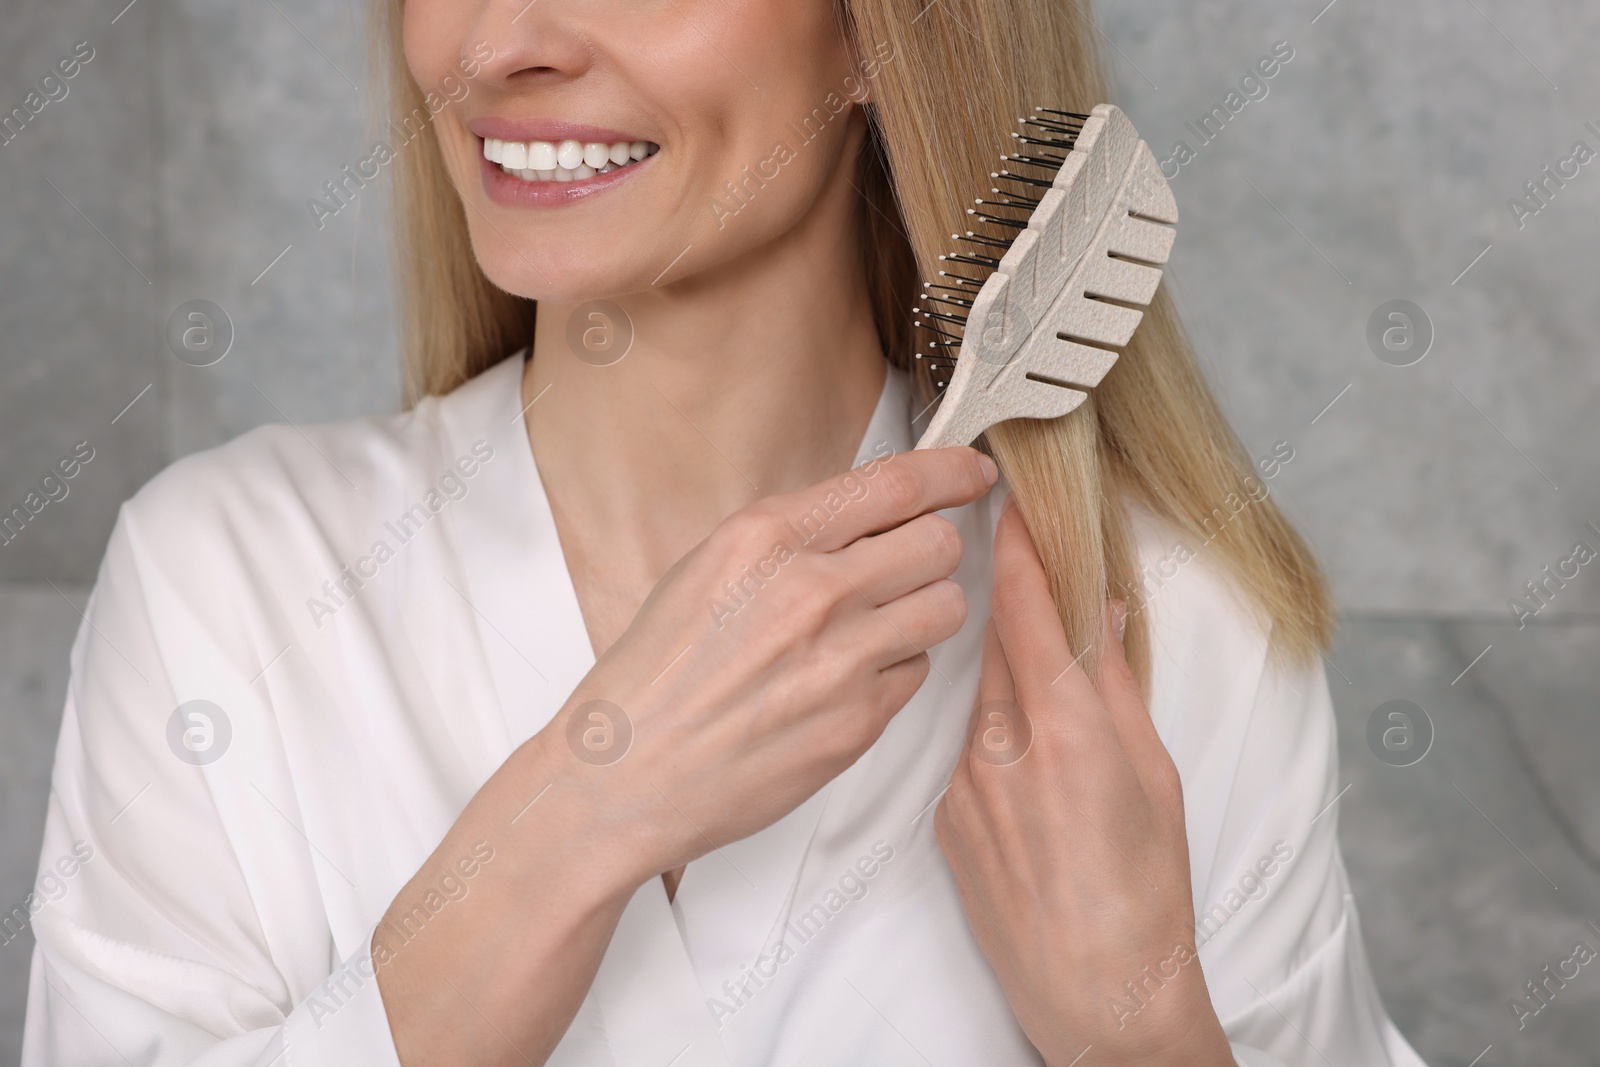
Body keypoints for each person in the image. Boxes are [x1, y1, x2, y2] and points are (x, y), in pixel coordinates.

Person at [22, 0, 1428, 1063]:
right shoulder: (228, 585)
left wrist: (1145, 1032)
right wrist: (575, 821)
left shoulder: (1163, 636)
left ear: (880, 36)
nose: (499, 42)